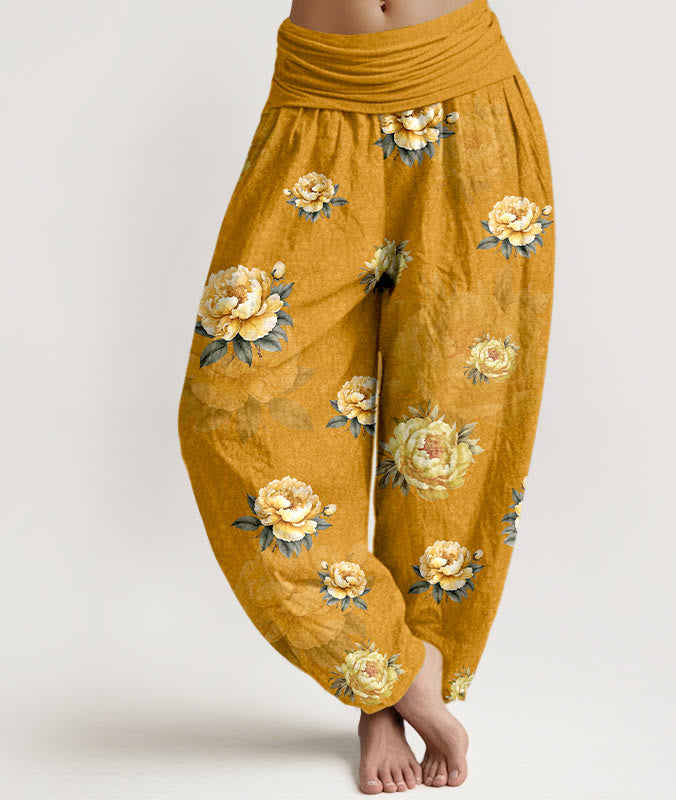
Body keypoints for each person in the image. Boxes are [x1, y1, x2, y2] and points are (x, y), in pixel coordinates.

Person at [177, 0, 555, 793]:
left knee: (447, 431)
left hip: (466, 96)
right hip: (317, 105)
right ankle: (390, 666)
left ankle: (387, 697)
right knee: (227, 408)